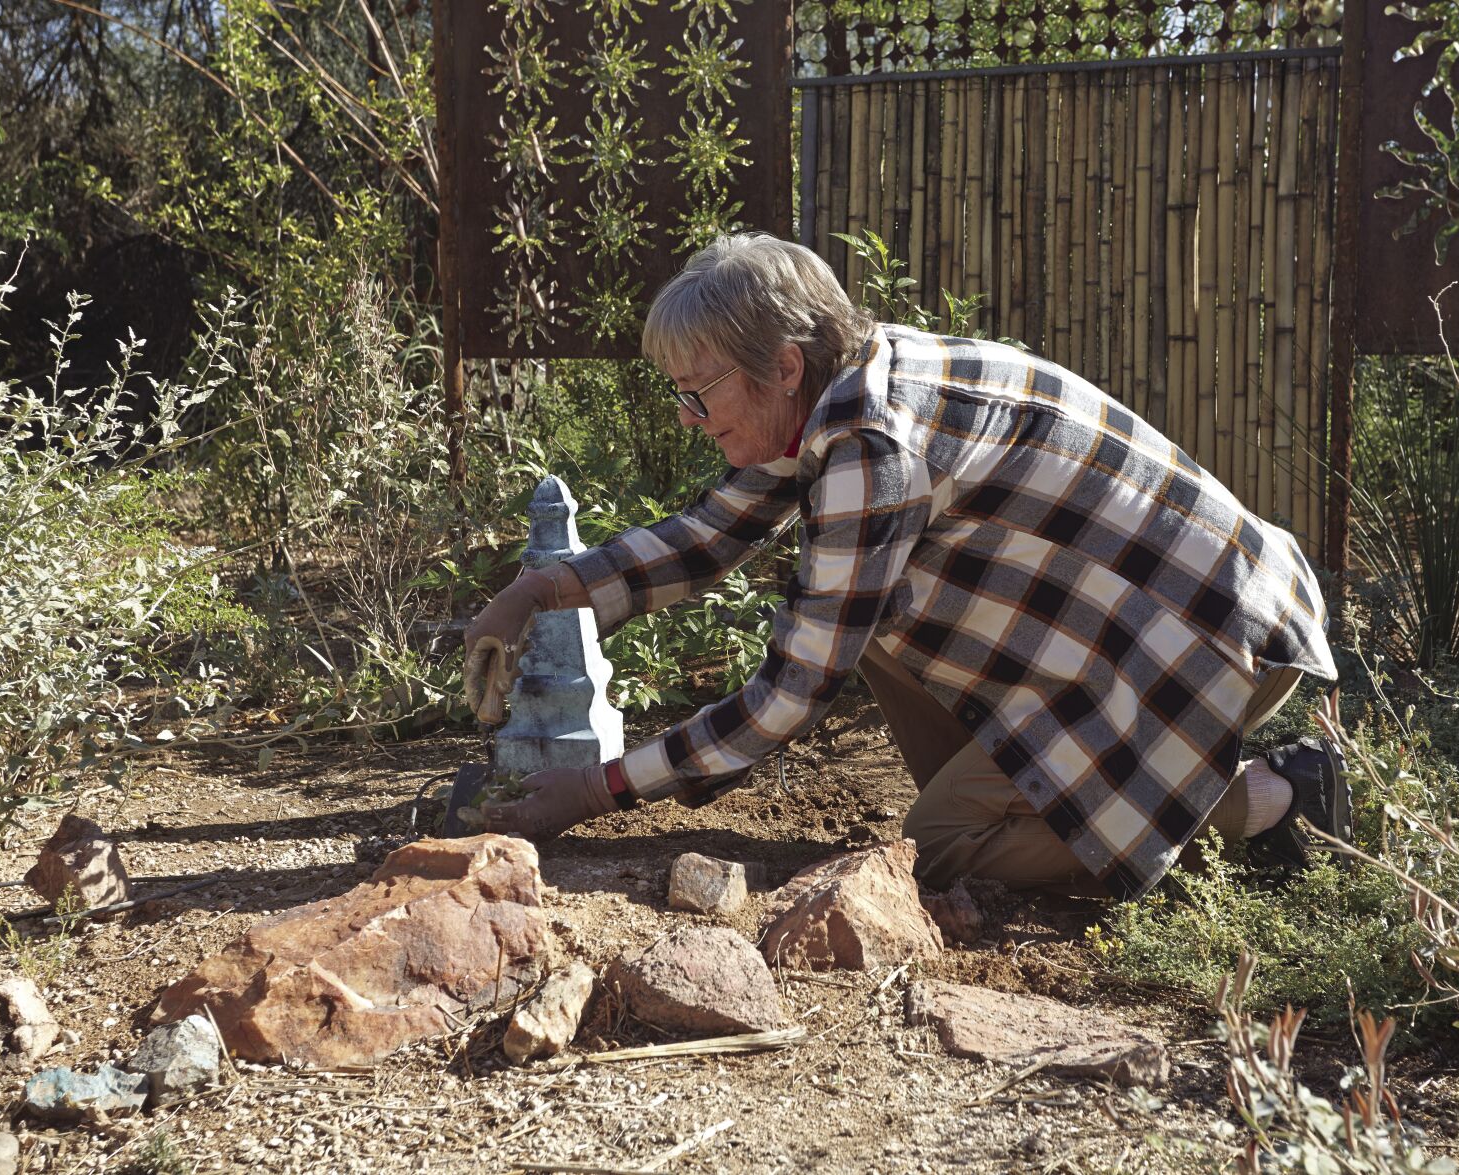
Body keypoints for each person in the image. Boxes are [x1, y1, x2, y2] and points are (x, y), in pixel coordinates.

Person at [463, 233, 1343, 900]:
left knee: (942, 849)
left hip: (1208, 636)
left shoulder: (870, 446)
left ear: (782, 365)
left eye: (700, 392)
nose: (689, 417)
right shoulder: (838, 389)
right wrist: (539, 588)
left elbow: (791, 694)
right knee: (869, 621)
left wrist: (596, 789)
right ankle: (1046, 789)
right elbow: (709, 534)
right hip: (1151, 619)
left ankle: (1274, 797)